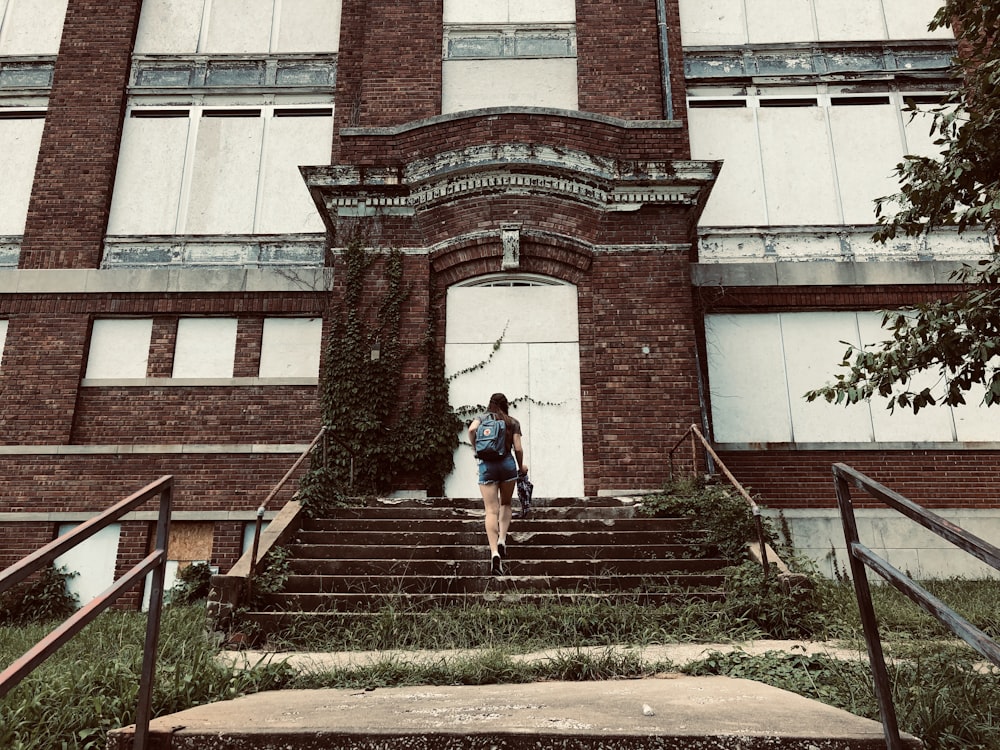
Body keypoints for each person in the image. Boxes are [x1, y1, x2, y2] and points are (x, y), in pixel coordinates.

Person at [468, 392, 528, 575]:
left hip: (487, 466)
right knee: (506, 503)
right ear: (505, 404)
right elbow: (517, 448)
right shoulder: (512, 421)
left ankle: (494, 552)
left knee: (491, 510)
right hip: (507, 465)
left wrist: (476, 447)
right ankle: (502, 539)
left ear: (490, 403)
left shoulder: (482, 417)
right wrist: (521, 467)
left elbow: (471, 430)